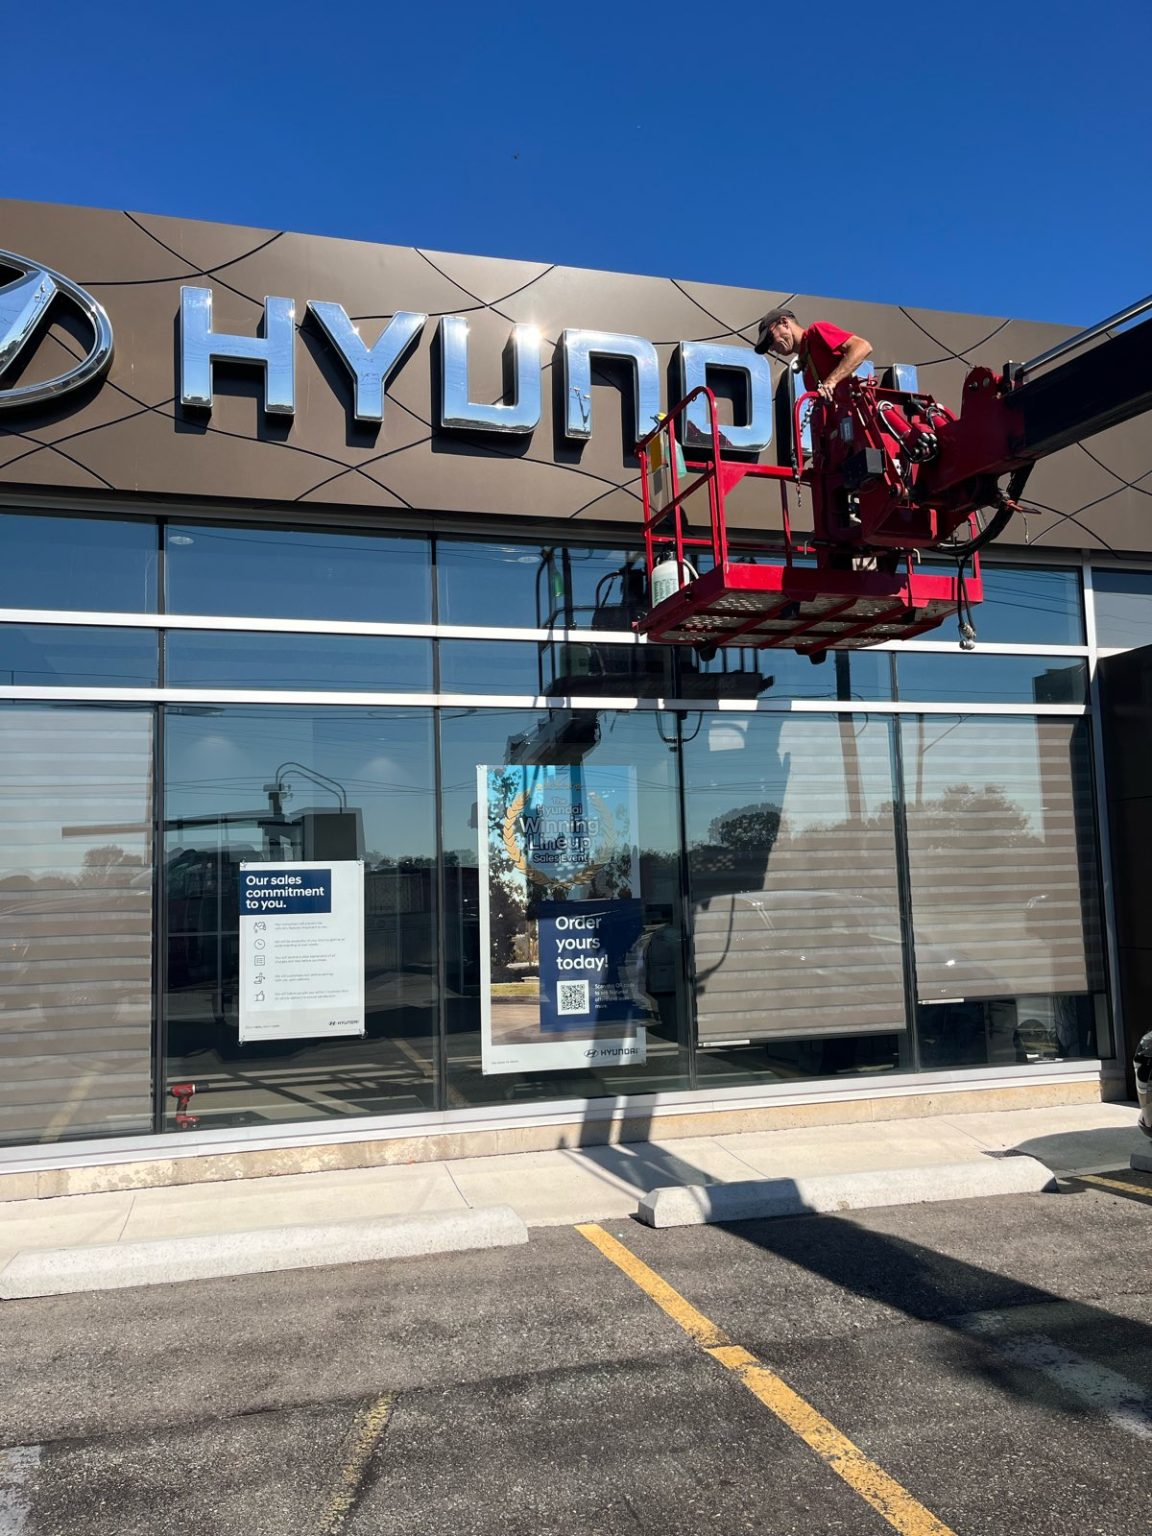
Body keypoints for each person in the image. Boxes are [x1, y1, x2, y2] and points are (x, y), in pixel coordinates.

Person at [753, 308, 872, 402]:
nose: (772, 348)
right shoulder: (805, 367)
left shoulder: (816, 332)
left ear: (784, 323)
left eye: (770, 339)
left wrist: (831, 381)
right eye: (768, 347)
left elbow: (862, 347)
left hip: (859, 412)